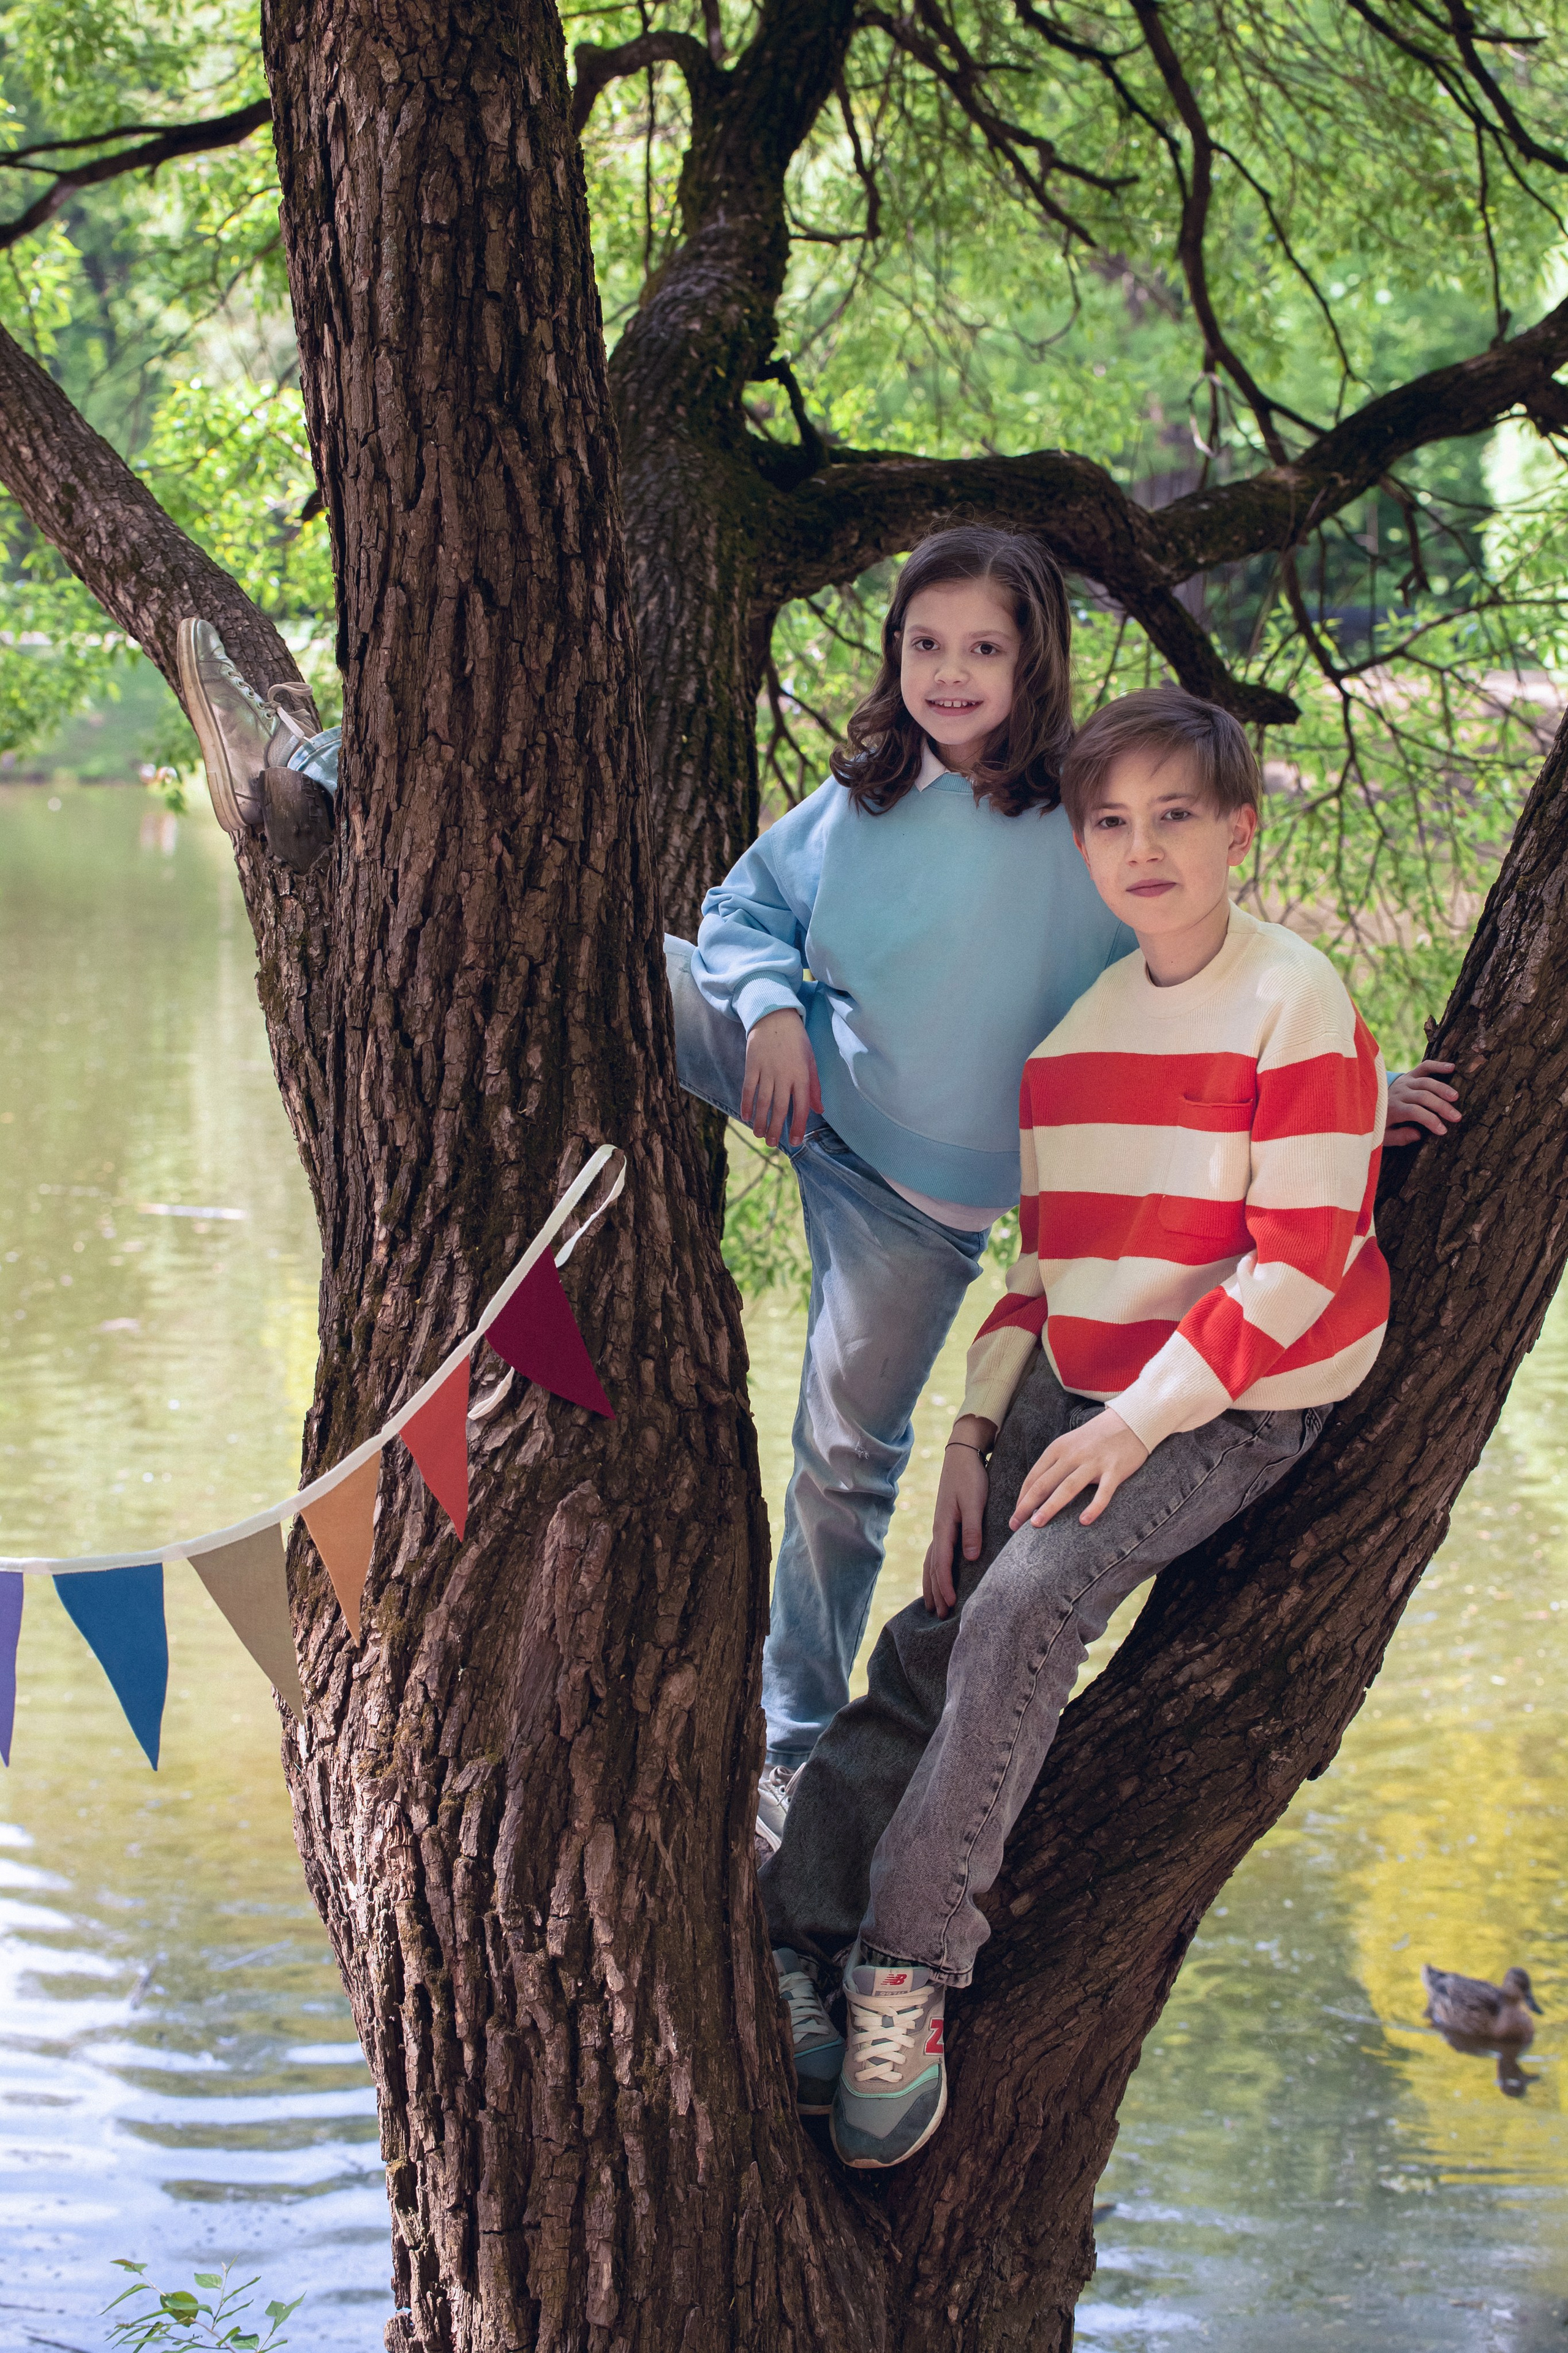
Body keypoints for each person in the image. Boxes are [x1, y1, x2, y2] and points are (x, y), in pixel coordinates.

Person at [760, 685, 1401, 2173]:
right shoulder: (1067, 1045)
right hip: (1084, 1374)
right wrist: (972, 1443)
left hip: (1243, 1386)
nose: (1142, 847)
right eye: (1109, 823)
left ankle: (904, 1970)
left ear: (1238, 830)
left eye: (1176, 815)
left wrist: (1135, 1428)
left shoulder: (1289, 991)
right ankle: (799, 1931)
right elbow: (1036, 1275)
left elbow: (1297, 1257)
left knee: (1031, 1600)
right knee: (934, 1619)